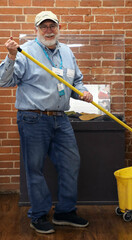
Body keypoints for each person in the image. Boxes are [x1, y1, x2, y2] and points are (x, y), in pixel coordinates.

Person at [0, 11, 93, 234]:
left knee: (71, 163)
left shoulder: (67, 52)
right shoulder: (26, 52)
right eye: (44, 27)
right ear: (37, 30)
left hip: (61, 119)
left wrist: (83, 92)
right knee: (35, 169)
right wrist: (11, 57)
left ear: (59, 28)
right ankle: (39, 215)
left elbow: (76, 81)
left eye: (52, 26)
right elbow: (4, 81)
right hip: (33, 119)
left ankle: (65, 212)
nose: (49, 30)